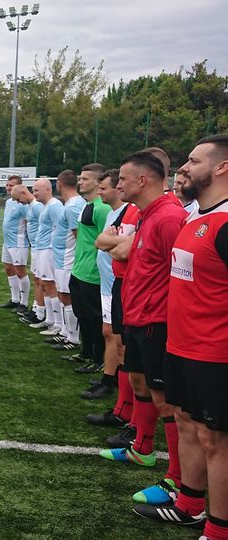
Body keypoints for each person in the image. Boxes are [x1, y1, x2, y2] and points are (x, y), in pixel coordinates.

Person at [134, 134, 228, 537]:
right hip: (181, 345)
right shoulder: (194, 217)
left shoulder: (225, 222)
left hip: (215, 353)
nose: (184, 168)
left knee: (215, 441)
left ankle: (219, 529)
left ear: (222, 167)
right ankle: (189, 505)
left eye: (193, 160)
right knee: (187, 425)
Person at [99, 151, 186, 510]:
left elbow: (181, 277)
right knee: (139, 383)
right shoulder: (147, 215)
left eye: (122, 178)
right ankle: (142, 449)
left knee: (166, 401)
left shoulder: (169, 218)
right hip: (138, 317)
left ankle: (177, 480)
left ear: (143, 180)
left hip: (156, 322)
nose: (117, 184)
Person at [82, 169, 125, 400]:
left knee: (114, 334)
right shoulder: (112, 213)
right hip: (107, 283)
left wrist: (110, 242)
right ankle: (110, 377)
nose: (100, 192)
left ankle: (111, 381)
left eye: (104, 188)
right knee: (109, 332)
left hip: (116, 283)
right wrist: (108, 242)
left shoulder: (127, 213)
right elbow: (101, 242)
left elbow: (119, 249)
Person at [69, 164, 110, 378]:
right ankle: (86, 352)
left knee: (95, 318)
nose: (80, 182)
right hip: (79, 270)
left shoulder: (102, 208)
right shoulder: (88, 205)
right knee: (82, 314)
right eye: (80, 178)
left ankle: (98, 359)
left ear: (97, 181)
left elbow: (106, 242)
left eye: (85, 179)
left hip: (93, 273)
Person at [47, 170, 85, 351]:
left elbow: (80, 237)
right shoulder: (71, 204)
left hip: (67, 259)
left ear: (59, 184)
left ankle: (73, 338)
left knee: (66, 297)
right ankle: (65, 332)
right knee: (63, 296)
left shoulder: (73, 206)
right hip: (62, 257)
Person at [29, 178, 65, 336]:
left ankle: (58, 324)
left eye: (37, 190)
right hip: (42, 249)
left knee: (50, 285)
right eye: (33, 190)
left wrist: (53, 248)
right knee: (44, 284)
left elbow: (61, 228)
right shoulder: (46, 206)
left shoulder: (55, 206)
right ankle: (50, 320)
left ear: (48, 190)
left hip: (49, 250)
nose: (34, 193)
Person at [12, 185, 45, 324]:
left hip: (41, 248)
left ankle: (40, 312)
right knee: (37, 279)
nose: (19, 202)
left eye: (18, 199)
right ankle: (37, 309)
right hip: (36, 248)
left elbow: (47, 225)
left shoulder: (37, 206)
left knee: (42, 281)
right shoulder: (32, 206)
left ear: (23, 192)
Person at [0, 176, 30, 312]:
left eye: (11, 185)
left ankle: (24, 303)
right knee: (9, 270)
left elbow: (29, 222)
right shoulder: (8, 202)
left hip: (18, 243)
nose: (8, 188)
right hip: (7, 242)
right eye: (7, 185)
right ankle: (14, 299)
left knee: (20, 272)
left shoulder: (23, 204)